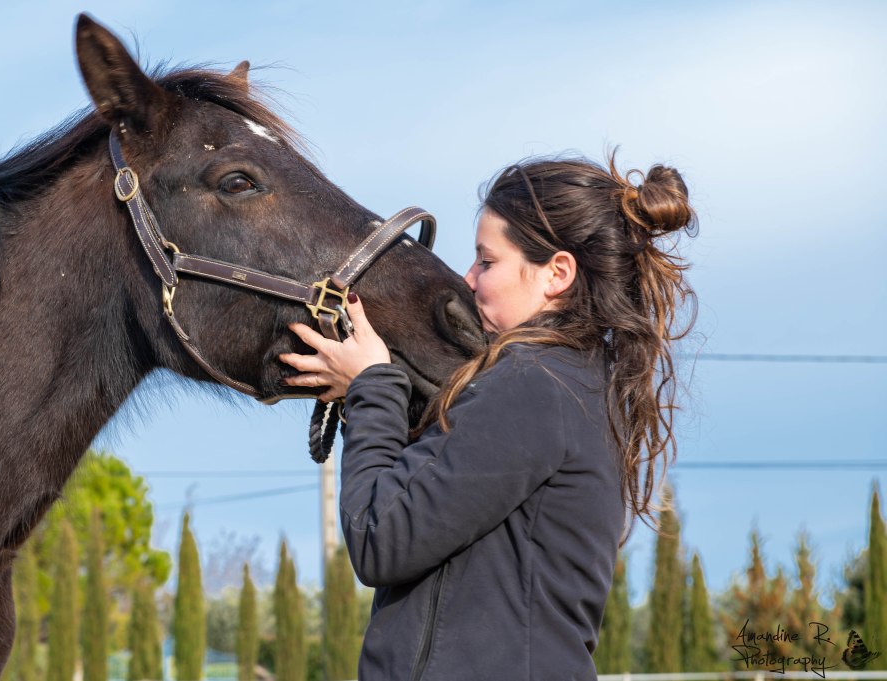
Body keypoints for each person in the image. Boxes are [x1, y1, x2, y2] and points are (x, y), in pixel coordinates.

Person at [280, 154, 696, 680]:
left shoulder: (534, 385)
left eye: (486, 261)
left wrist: (373, 387)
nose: (467, 278)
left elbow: (379, 538)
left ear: (556, 274)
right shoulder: (574, 383)